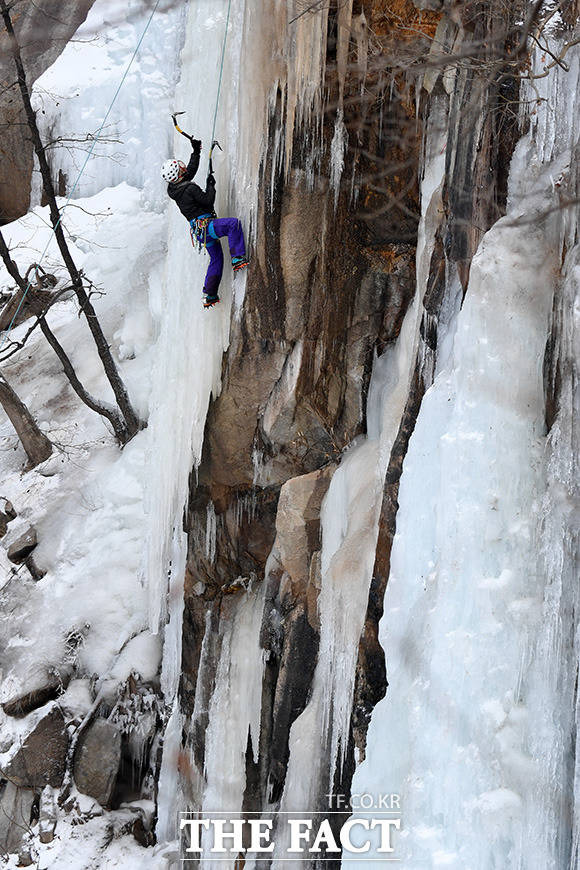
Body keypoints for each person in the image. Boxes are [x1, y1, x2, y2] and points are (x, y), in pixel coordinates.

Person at [161, 139, 248, 309]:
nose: (183, 167)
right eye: (180, 167)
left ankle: (209, 294)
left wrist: (196, 151)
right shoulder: (189, 189)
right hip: (207, 227)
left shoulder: (174, 189)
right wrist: (211, 185)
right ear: (178, 173)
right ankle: (238, 258)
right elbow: (208, 201)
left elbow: (190, 171)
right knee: (233, 225)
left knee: (216, 259)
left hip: (200, 232)